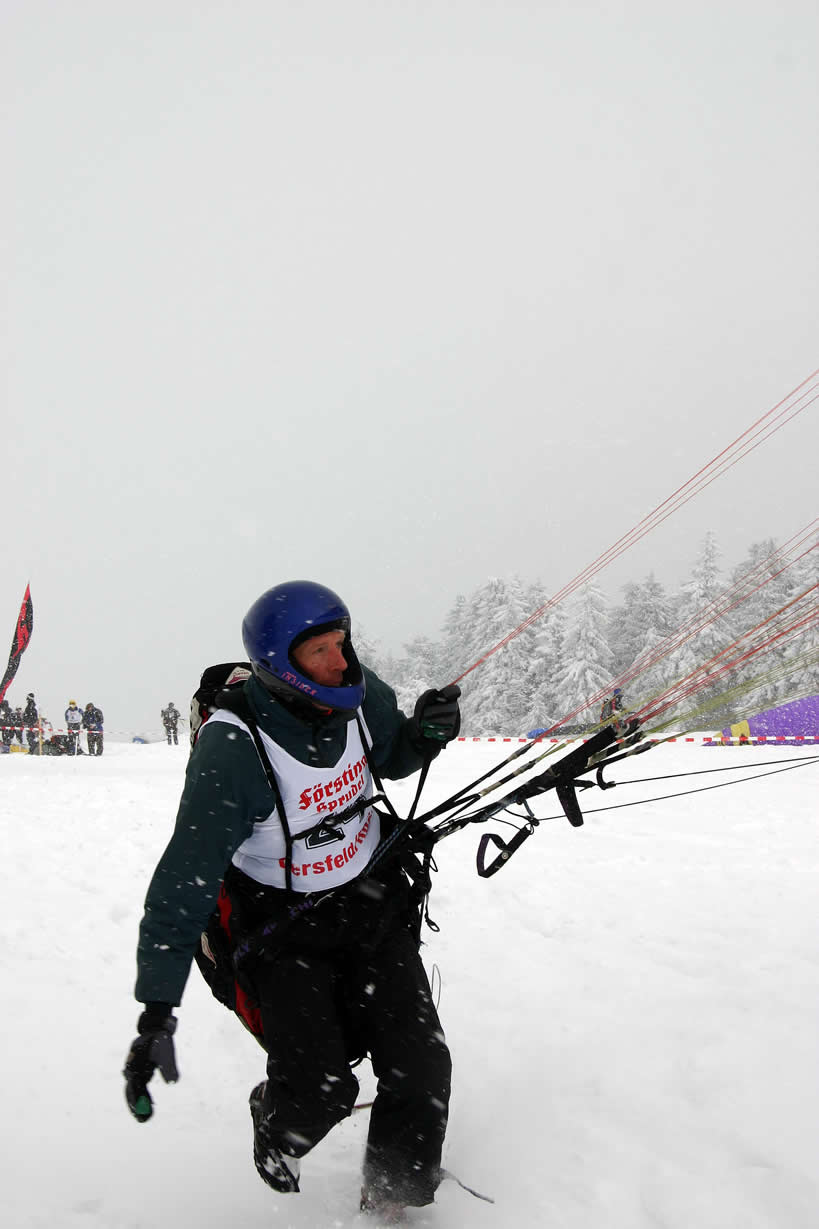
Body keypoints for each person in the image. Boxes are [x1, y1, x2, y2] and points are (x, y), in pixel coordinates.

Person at [124, 581, 461, 1221]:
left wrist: (425, 735)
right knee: (319, 1092)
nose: (341, 661)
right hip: (283, 933)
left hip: (371, 907)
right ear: (281, 664)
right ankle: (275, 1124)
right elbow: (183, 883)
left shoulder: (359, 693)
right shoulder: (232, 749)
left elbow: (392, 755)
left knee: (421, 1068)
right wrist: (156, 1014)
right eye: (320, 651)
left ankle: (394, 1200)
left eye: (342, 643)